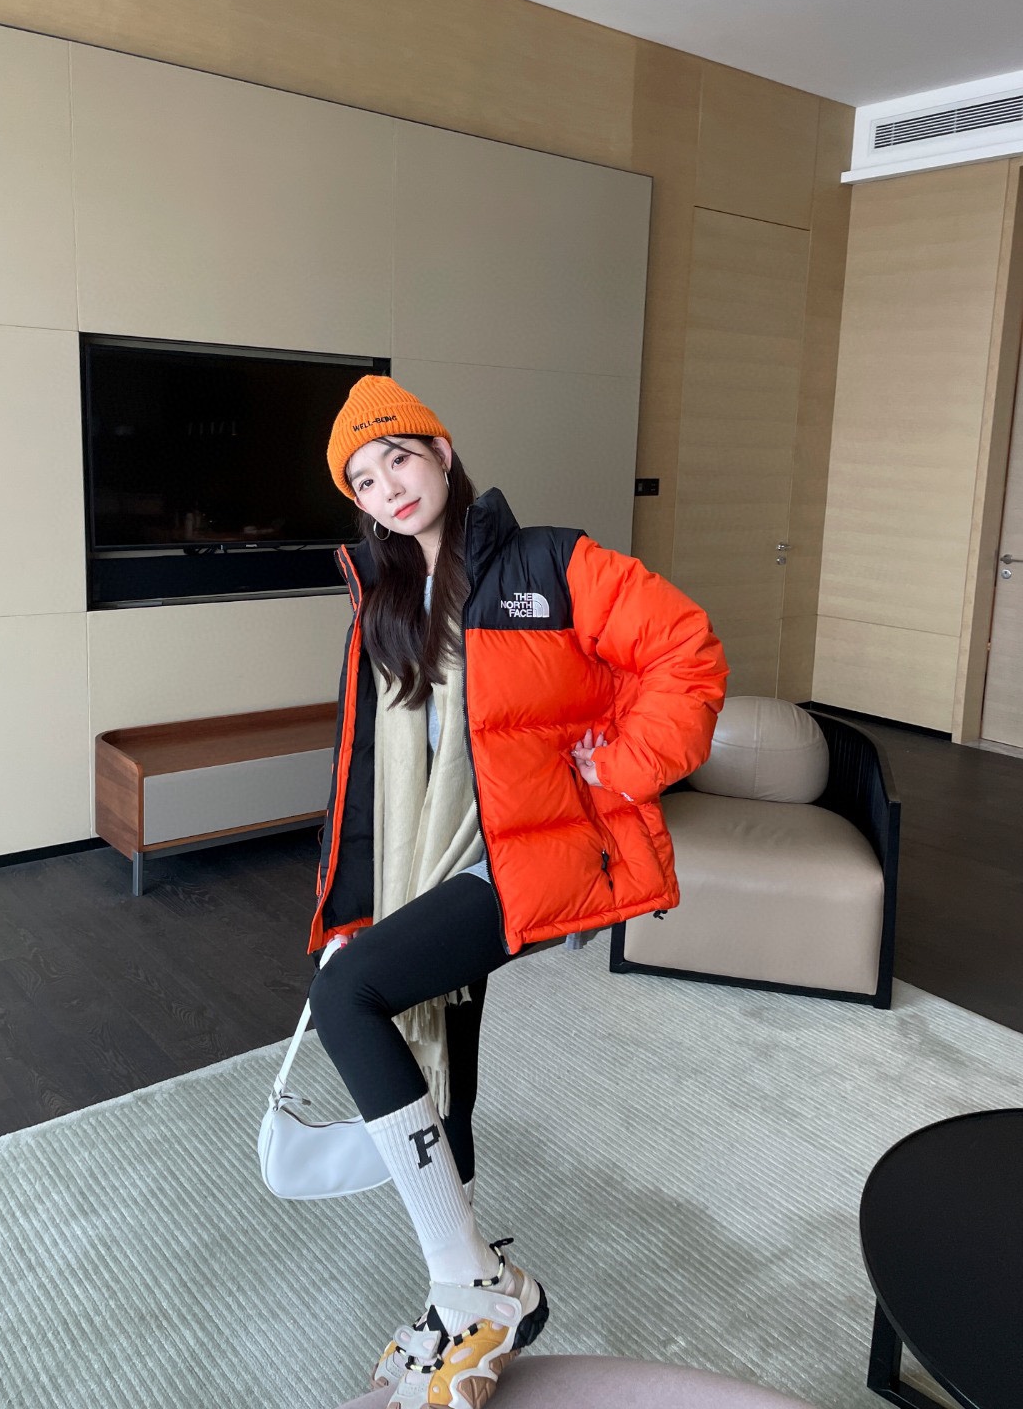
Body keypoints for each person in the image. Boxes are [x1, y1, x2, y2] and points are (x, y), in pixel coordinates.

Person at [306, 375, 729, 1409]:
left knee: (349, 998)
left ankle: (477, 1283)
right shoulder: (384, 601)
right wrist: (353, 908)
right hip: (429, 857)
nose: (389, 487)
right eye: (365, 480)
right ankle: (461, 1286)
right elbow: (367, 770)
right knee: (440, 1060)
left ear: (443, 454)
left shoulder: (548, 562)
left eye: (400, 458)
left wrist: (616, 771)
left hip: (526, 857)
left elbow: (687, 649)